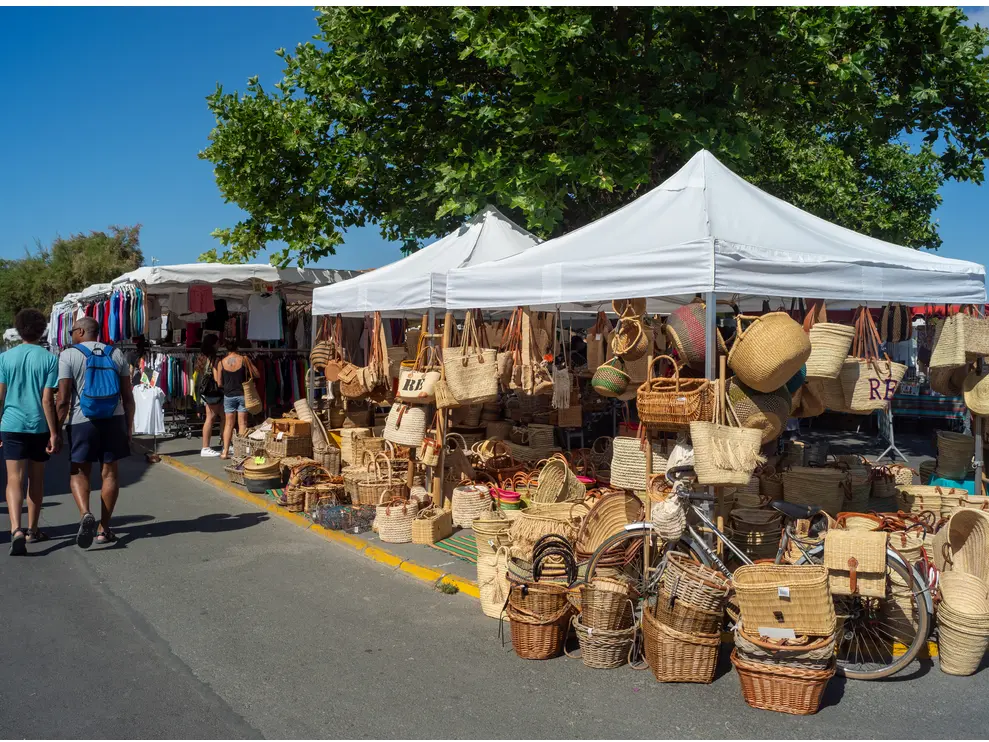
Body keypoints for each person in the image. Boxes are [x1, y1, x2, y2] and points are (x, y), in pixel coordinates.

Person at [57, 316, 135, 548]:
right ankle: (104, 528)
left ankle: (85, 514)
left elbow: (62, 399)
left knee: (79, 471)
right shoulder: (116, 354)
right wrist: (128, 428)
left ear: (81, 331)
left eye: (72, 331)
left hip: (83, 420)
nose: (70, 334)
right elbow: (128, 397)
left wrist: (56, 430)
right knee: (110, 473)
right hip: (114, 418)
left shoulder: (68, 355)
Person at [0, 309, 60, 555]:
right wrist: (54, 432)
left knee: (14, 479)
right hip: (38, 425)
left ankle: (15, 529)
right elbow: (48, 400)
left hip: (10, 424)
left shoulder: (5, 358)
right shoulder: (49, 359)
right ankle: (33, 529)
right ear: (42, 330)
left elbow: (0, 396)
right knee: (36, 479)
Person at [215, 339, 258, 460]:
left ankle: (225, 451)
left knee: (228, 424)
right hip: (242, 394)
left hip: (228, 395)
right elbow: (255, 373)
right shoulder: (244, 359)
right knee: (242, 424)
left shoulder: (221, 363)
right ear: (237, 347)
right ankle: (241, 452)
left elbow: (219, 383)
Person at [195, 334, 223, 457]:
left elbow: (198, 372)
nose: (219, 345)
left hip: (206, 391)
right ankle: (205, 447)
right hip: (213, 391)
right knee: (211, 418)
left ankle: (225, 442)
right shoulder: (214, 359)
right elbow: (217, 379)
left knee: (223, 416)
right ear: (213, 344)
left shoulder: (201, 357)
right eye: (217, 343)